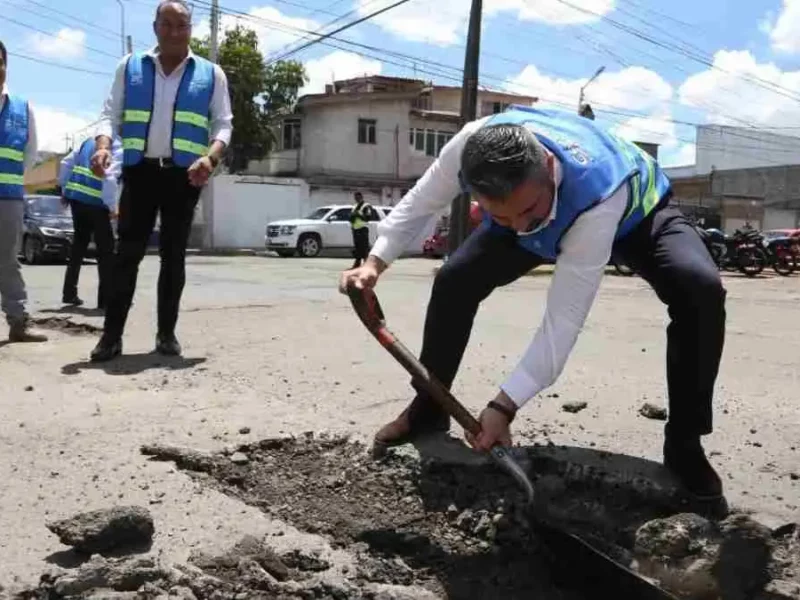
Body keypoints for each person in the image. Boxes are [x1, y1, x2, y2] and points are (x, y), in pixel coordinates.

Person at [339, 104, 727, 502]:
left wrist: (503, 406)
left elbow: (562, 324)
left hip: (637, 214)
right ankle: (428, 409)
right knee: (454, 280)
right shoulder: (470, 148)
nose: (523, 228)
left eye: (527, 211)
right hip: (552, 202)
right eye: (500, 216)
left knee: (699, 290)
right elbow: (421, 203)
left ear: (545, 164)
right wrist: (374, 263)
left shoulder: (596, 196)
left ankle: (684, 445)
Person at [88, 0, 233, 362]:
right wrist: (104, 147)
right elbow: (110, 114)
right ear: (155, 27)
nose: (173, 31)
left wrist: (210, 157)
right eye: (166, 24)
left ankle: (166, 334)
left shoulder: (211, 73)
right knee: (128, 256)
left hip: (185, 176)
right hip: (139, 172)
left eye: (181, 25)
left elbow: (224, 124)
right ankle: (111, 337)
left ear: (190, 29)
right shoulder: (131, 66)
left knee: (174, 258)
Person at [0, 40, 47, 343]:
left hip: (8, 196)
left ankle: (19, 322)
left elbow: (30, 154)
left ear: (5, 66)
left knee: (7, 260)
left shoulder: (22, 106)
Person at [59, 135, 122, 310]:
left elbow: (65, 163)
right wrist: (112, 206)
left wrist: (64, 189)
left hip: (77, 200)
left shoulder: (86, 142)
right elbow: (109, 177)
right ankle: (105, 300)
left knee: (78, 247)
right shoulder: (117, 147)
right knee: (106, 252)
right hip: (97, 203)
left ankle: (69, 293)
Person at [349, 191, 373, 268]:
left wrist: (358, 215)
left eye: (357, 197)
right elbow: (351, 217)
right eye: (355, 197)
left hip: (363, 229)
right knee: (357, 247)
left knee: (364, 247)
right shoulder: (354, 206)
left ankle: (366, 264)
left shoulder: (366, 206)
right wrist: (352, 217)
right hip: (355, 229)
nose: (356, 199)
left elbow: (368, 218)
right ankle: (357, 263)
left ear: (361, 197)